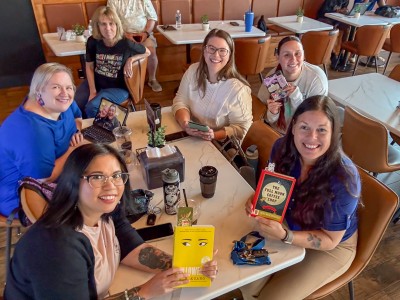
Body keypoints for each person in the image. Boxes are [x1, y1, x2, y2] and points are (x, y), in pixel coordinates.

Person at [4, 143, 218, 299]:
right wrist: (143, 292)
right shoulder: (58, 248)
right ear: (73, 182)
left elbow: (130, 247)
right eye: (97, 177)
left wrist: (185, 266)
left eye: (117, 176)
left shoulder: (103, 210)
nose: (112, 186)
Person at [240, 95, 361, 300]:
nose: (311, 138)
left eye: (322, 130)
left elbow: (330, 240)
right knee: (245, 279)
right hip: (288, 222)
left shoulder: (344, 177)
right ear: (294, 126)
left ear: (333, 134)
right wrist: (258, 196)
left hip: (330, 245)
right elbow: (275, 186)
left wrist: (285, 237)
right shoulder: (281, 148)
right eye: (304, 127)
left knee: (272, 298)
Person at [0, 63, 84, 217]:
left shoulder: (62, 103)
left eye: (69, 87)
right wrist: (73, 150)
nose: (65, 93)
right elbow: (43, 178)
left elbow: (78, 117)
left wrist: (76, 132)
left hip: (63, 169)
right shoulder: (32, 131)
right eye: (56, 87)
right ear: (39, 90)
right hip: (27, 195)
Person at [172, 29, 252, 142]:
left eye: (222, 51)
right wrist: (185, 124)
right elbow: (180, 101)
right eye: (211, 48)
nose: (216, 55)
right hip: (190, 136)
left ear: (230, 55)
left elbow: (241, 128)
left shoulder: (238, 90)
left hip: (219, 145)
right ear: (204, 50)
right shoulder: (193, 70)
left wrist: (214, 135)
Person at [75, 6, 150, 118]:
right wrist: (93, 91)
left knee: (92, 107)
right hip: (97, 83)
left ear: (117, 25)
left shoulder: (126, 43)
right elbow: (89, 67)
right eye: (103, 24)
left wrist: (131, 59)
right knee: (74, 104)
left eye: (111, 23)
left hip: (119, 88)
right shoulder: (92, 41)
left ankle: (101, 131)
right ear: (97, 26)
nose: (108, 28)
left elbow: (147, 52)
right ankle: (82, 130)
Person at [258, 36, 328, 134]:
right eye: (287, 55)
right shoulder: (272, 78)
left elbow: (314, 120)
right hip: (275, 132)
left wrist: (297, 98)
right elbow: (262, 112)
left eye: (297, 54)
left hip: (303, 134)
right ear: (278, 57)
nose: (293, 59)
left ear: (304, 55)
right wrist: (273, 113)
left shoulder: (317, 79)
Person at [108, 0, 163, 92]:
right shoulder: (113, 1)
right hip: (122, 35)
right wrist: (126, 35)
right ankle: (124, 82)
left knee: (151, 52)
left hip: (144, 34)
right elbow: (112, 22)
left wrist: (145, 33)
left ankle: (152, 79)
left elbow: (152, 18)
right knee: (119, 54)